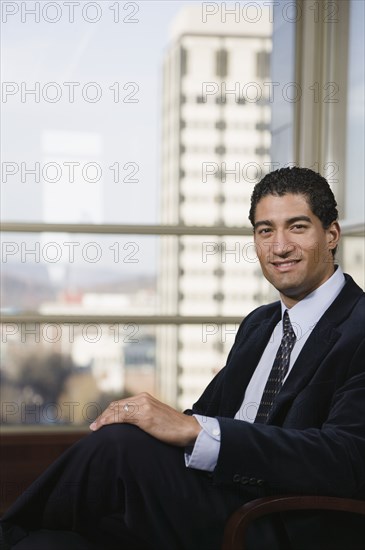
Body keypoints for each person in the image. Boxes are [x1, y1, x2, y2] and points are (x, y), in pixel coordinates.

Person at [1, 167, 364, 550]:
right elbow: (204, 415)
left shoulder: (357, 329)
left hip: (278, 521)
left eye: (297, 227)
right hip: (207, 501)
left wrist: (192, 431)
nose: (279, 246)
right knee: (51, 544)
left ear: (332, 235)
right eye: (265, 230)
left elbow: (345, 459)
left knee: (120, 445)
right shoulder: (260, 325)